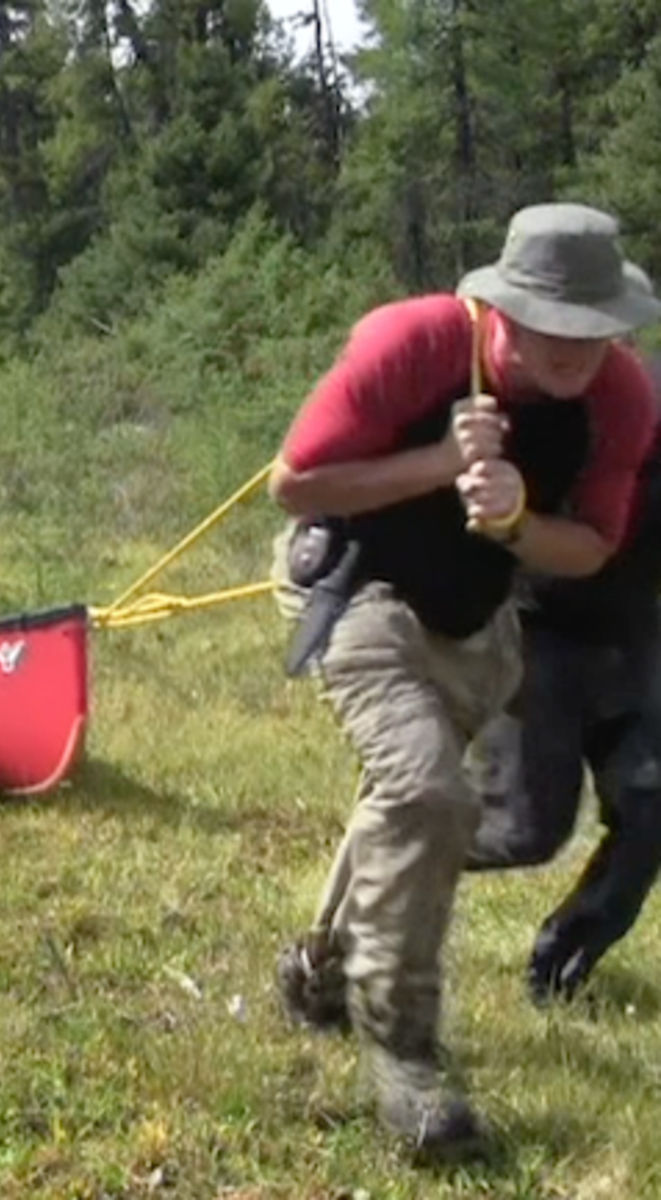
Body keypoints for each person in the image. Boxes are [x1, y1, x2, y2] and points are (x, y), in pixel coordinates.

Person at [267, 202, 661, 1157]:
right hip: (360, 587)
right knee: (425, 786)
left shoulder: (622, 398)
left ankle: (319, 967)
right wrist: (442, 463)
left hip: (477, 615)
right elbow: (295, 483)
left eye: (595, 329)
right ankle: (405, 1055)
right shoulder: (416, 342)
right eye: (551, 325)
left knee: (408, 800)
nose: (574, 352)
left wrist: (519, 520)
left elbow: (594, 545)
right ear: (502, 307)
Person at [463, 349, 661, 1005]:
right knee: (525, 831)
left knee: (652, 807)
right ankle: (392, 848)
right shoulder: (621, 398)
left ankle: (556, 972)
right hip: (536, 625)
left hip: (629, 633)